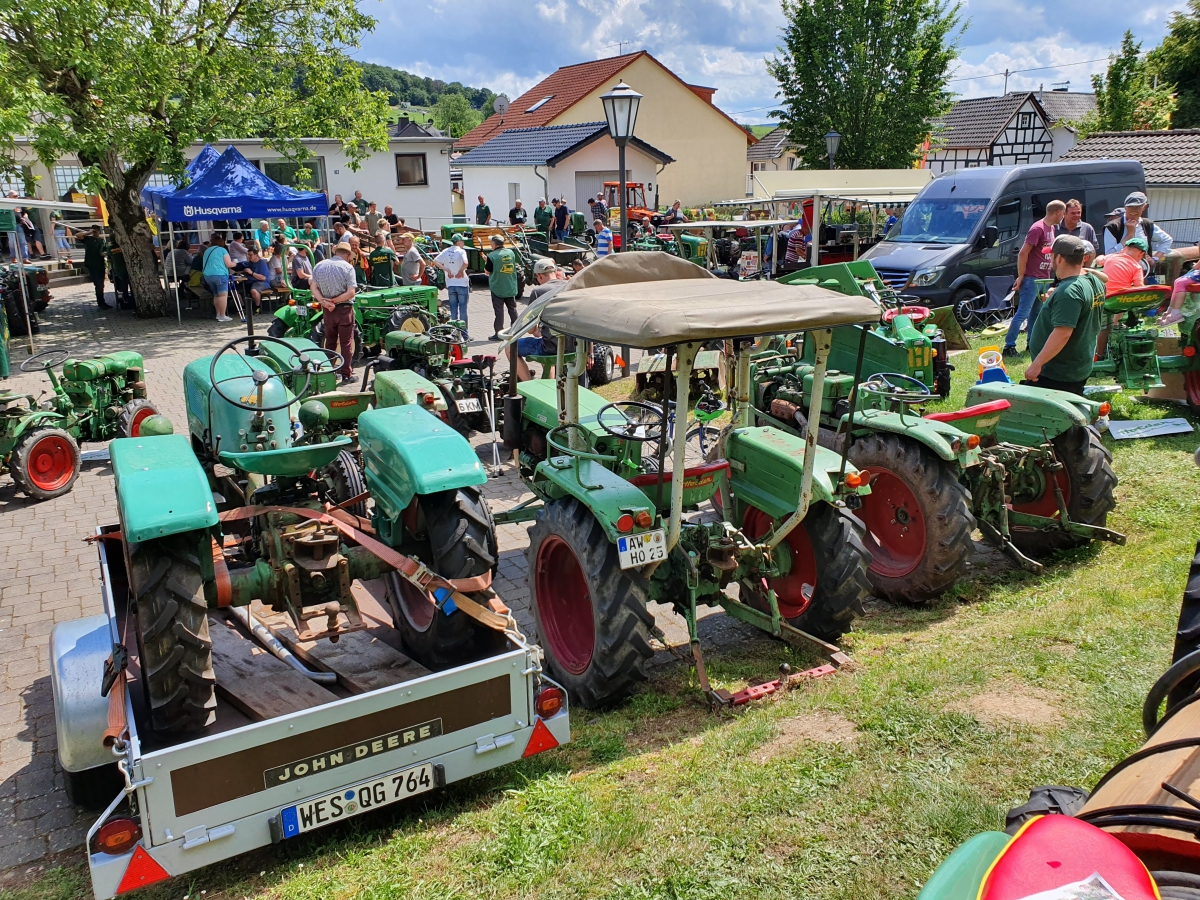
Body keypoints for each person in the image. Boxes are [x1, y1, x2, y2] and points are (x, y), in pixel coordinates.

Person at [1023, 234, 1103, 396]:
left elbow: (1063, 333)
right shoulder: (1094, 281)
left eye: (1051, 256)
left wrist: (1037, 364)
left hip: (1059, 372)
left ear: (1059, 258)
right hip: (1077, 365)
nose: (1050, 260)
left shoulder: (1068, 292)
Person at [1004, 199, 1066, 357]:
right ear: (1057, 212)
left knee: (1036, 314)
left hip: (1043, 279)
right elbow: (1023, 253)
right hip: (1031, 278)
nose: (1063, 217)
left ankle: (1032, 344)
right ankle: (1009, 346)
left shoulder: (1051, 228)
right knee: (1023, 313)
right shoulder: (1037, 228)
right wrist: (1021, 276)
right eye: (1063, 213)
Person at [514, 258, 570, 381]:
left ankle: (529, 384)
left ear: (539, 276)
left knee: (511, 347)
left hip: (551, 348)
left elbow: (530, 329)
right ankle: (549, 383)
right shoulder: (570, 286)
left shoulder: (538, 291)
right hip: (573, 346)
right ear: (555, 272)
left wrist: (536, 331)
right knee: (545, 340)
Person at [311, 243, 358, 383]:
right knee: (346, 343)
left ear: (336, 252)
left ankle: (330, 372)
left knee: (330, 341)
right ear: (348, 255)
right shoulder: (348, 268)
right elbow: (351, 292)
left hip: (327, 310)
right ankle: (346, 374)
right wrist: (334, 301)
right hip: (344, 310)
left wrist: (324, 301)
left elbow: (313, 286)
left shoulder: (319, 265)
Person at [433, 233, 470, 336]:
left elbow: (435, 261)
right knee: (463, 309)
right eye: (462, 241)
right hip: (462, 283)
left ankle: (454, 332)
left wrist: (446, 269)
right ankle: (464, 334)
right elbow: (466, 263)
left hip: (450, 284)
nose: (463, 243)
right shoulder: (461, 251)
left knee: (453, 308)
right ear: (458, 242)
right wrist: (461, 271)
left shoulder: (445, 251)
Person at [485, 234, 519, 339]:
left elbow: (487, 271)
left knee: (499, 312)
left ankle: (499, 333)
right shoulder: (511, 253)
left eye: (491, 242)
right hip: (510, 286)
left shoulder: (491, 256)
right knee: (512, 309)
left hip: (498, 287)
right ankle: (516, 330)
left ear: (494, 244)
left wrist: (486, 261)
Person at [201, 231, 236, 322]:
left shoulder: (207, 250)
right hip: (220, 275)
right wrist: (235, 263)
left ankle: (217, 314)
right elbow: (228, 264)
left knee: (216, 295)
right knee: (223, 295)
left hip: (208, 275)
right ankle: (222, 315)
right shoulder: (222, 250)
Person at [81, 226, 110, 310]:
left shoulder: (101, 241)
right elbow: (78, 235)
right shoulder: (88, 239)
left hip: (100, 264)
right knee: (98, 284)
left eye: (97, 230)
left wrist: (105, 254)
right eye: (94, 231)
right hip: (91, 264)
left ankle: (102, 301)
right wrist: (89, 232)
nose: (96, 232)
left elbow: (104, 250)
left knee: (101, 284)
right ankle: (100, 302)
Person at [236, 242, 271, 313]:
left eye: (251, 255)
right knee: (236, 290)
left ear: (256, 255)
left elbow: (263, 278)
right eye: (248, 255)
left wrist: (252, 273)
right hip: (249, 282)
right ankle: (244, 307)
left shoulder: (261, 264)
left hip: (261, 282)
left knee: (254, 291)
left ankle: (257, 307)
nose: (249, 257)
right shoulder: (250, 263)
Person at [108, 242, 133, 309]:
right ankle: (127, 297)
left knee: (124, 280)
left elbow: (109, 256)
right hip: (122, 269)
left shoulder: (111, 247)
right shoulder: (123, 244)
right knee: (125, 280)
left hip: (120, 269)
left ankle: (126, 296)